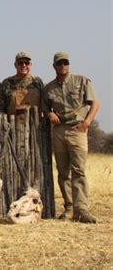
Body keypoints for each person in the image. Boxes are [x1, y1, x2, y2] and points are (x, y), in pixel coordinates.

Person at [43, 52, 100, 223]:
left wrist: (87, 122)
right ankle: (69, 208)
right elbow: (45, 108)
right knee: (63, 172)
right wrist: (49, 114)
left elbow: (94, 103)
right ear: (54, 66)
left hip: (78, 129)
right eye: (59, 64)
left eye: (65, 63)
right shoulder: (48, 88)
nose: (63, 66)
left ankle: (81, 209)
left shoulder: (81, 81)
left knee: (79, 170)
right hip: (59, 131)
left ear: (69, 65)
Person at [0, 52, 44, 118]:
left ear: (30, 65)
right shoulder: (7, 83)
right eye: (20, 63)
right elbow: (0, 109)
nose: (24, 65)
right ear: (15, 65)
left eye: (26, 63)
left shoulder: (37, 82)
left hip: (35, 125)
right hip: (13, 125)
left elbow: (44, 105)